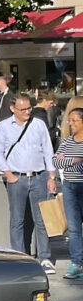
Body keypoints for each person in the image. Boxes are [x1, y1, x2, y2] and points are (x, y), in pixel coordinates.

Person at [0, 93, 57, 275]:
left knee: (42, 219)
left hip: (39, 176)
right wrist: (8, 174)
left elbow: (47, 150)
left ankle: (44, 257)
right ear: (13, 109)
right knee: (17, 220)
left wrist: (51, 176)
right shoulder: (4, 127)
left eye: (29, 108)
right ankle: (20, 257)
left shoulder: (38, 125)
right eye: (23, 109)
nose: (27, 112)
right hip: (17, 178)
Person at [55, 108, 83, 280]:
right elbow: (55, 160)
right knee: (73, 229)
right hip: (69, 187)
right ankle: (76, 263)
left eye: (74, 120)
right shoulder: (67, 142)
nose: (70, 124)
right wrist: (74, 160)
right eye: (69, 120)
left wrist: (70, 162)